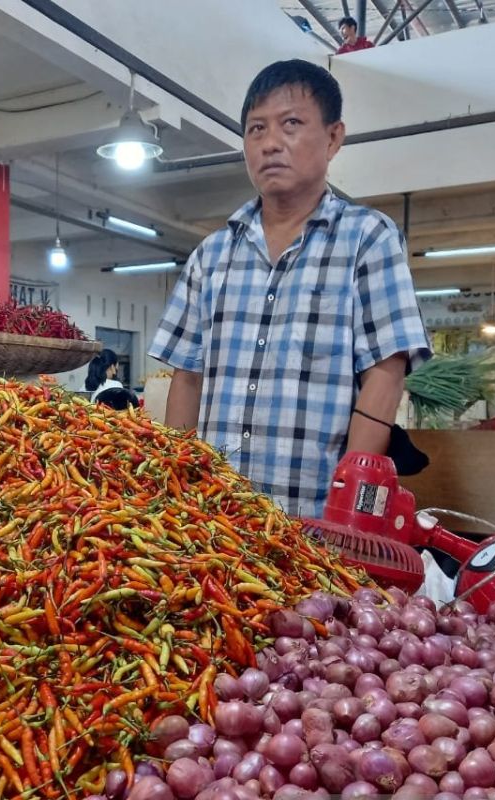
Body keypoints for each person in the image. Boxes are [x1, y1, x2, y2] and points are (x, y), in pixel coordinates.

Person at [149, 59, 431, 517]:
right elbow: (188, 376)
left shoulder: (367, 239)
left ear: (334, 137)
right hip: (216, 522)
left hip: (314, 521)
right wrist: (178, 492)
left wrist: (348, 506)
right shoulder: (211, 255)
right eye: (256, 129)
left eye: (291, 124)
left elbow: (386, 371)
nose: (270, 143)